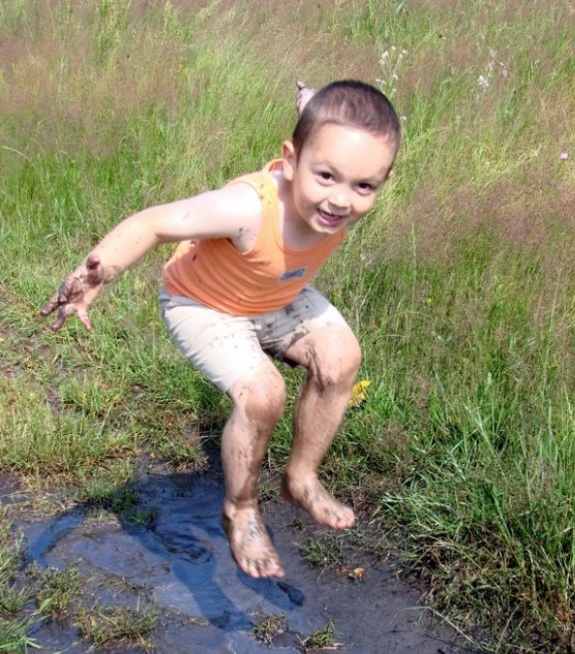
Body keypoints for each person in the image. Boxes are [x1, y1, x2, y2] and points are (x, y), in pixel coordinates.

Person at [41, 79, 401, 581]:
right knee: (262, 394)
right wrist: (94, 273)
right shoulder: (247, 208)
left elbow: (333, 151)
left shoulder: (331, 186)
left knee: (342, 358)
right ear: (291, 161)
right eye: (326, 176)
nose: (341, 200)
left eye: (364, 186)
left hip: (274, 292)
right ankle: (241, 507)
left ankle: (300, 477)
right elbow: (153, 223)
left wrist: (308, 103)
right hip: (204, 303)